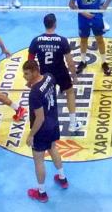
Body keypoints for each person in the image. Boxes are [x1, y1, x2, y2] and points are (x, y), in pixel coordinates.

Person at [23, 59, 69, 203]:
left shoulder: (34, 94)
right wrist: (32, 82)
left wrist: (31, 135)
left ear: (35, 71)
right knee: (53, 148)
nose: (24, 77)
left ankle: (41, 193)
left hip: (41, 130)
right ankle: (62, 178)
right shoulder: (49, 77)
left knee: (38, 160)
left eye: (27, 74)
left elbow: (40, 118)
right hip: (53, 122)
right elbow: (45, 87)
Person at [28, 13, 81, 132]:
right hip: (60, 72)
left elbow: (30, 62)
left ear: (44, 24)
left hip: (44, 74)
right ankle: (73, 123)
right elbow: (70, 62)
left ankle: (44, 124)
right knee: (70, 92)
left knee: (44, 98)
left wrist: (31, 80)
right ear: (55, 24)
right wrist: (74, 76)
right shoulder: (62, 41)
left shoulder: (36, 41)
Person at [69, 0, 112, 76]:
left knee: (100, 39)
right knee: (83, 40)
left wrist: (105, 6)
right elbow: (71, 4)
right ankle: (83, 61)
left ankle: (104, 62)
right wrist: (83, 12)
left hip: (97, 17)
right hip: (83, 18)